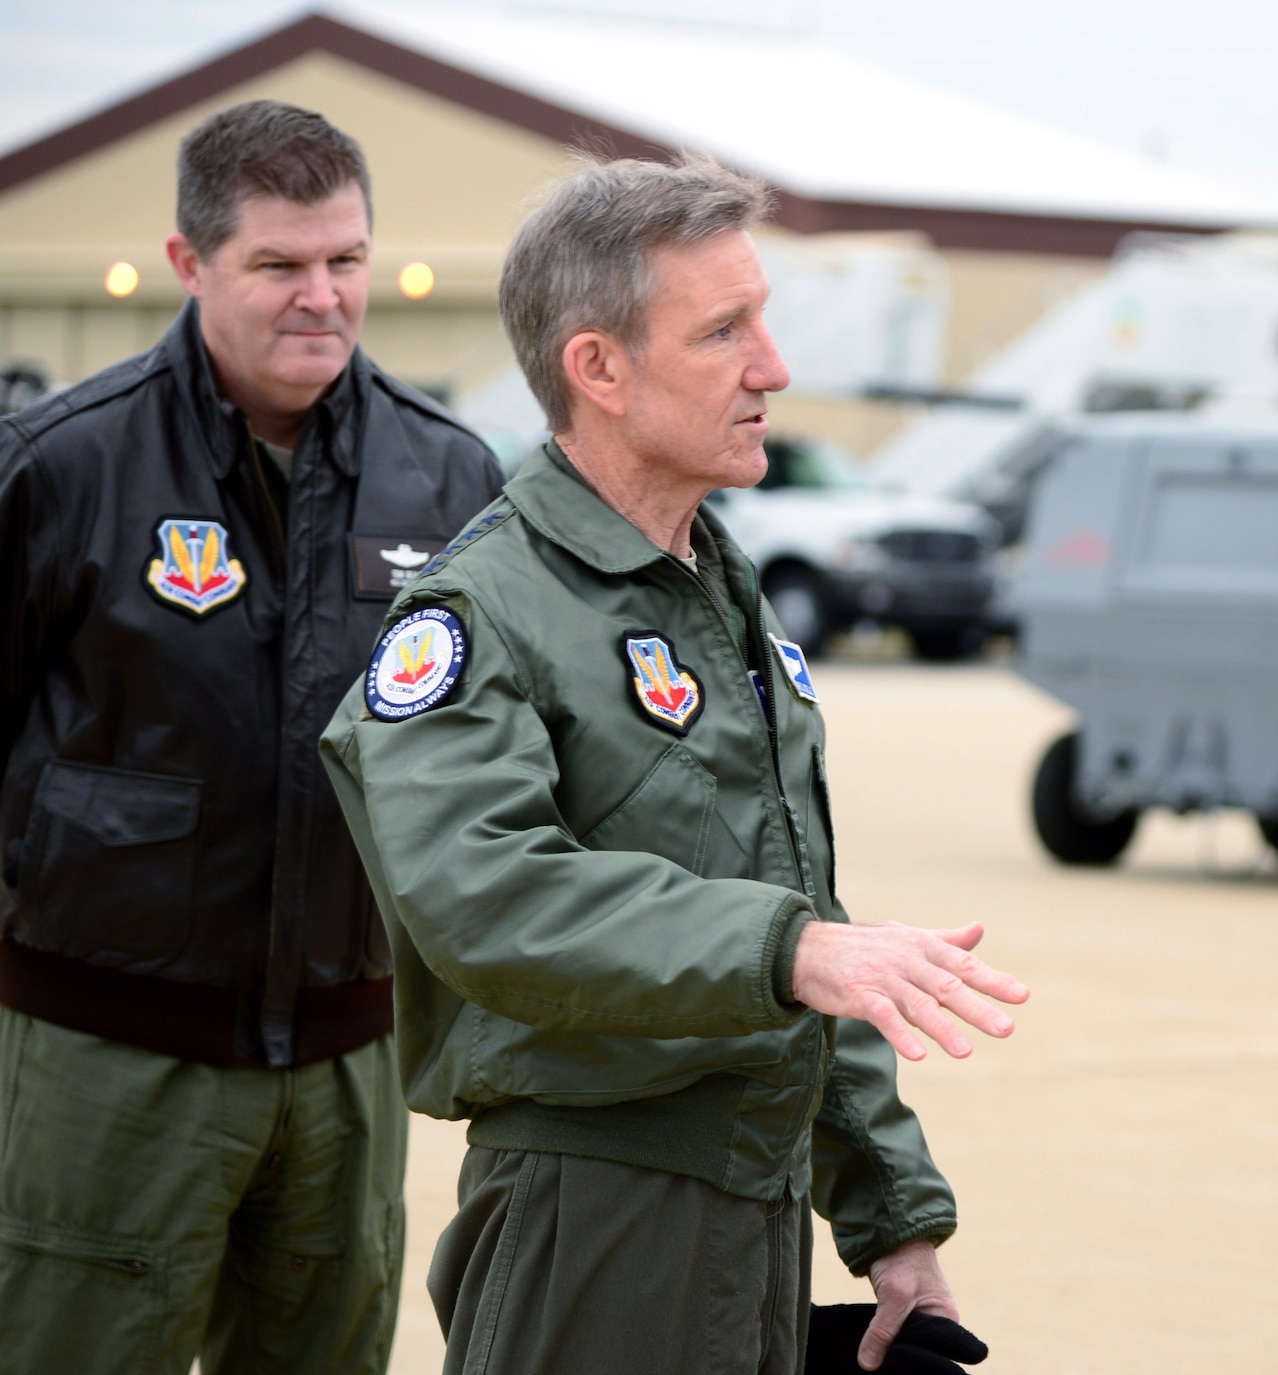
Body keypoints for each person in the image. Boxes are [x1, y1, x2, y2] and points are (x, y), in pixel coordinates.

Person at [319, 155, 1030, 1375]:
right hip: (594, 1215)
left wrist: (892, 1224)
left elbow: (807, 932)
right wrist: (789, 948)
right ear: (597, 367)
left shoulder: (719, 594)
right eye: (723, 331)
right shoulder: (482, 613)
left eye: (763, 319)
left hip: (751, 1214)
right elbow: (484, 896)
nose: (774, 366)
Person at [0, 101, 503, 1372]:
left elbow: (481, 760)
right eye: (277, 264)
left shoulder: (449, 480)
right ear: (190, 263)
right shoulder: (59, 466)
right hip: (105, 1063)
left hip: (349, 1072)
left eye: (345, 259)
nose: (321, 297)